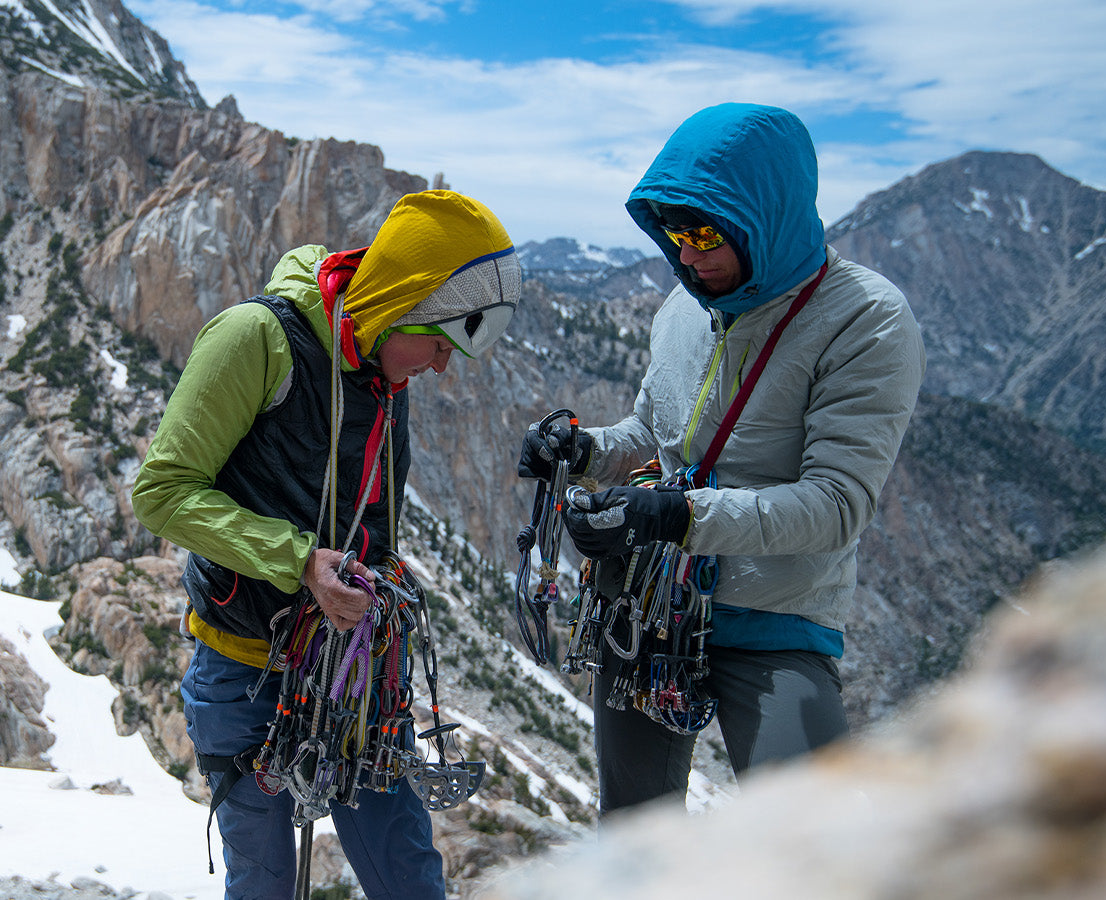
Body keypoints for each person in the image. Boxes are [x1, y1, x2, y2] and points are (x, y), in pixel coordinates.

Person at [518, 103, 925, 814]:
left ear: (762, 217)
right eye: (673, 233)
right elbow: (652, 431)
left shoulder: (865, 318)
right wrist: (583, 452)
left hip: (774, 617)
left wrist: (673, 514)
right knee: (635, 836)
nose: (686, 254)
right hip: (649, 608)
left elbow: (834, 506)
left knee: (811, 848)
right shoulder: (684, 309)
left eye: (704, 232)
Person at [133, 189, 520, 899]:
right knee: (265, 882)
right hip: (247, 670)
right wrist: (297, 562)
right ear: (403, 304)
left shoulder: (381, 365)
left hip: (357, 675)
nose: (442, 368)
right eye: (439, 343)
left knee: (408, 873)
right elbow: (162, 492)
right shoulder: (256, 339)